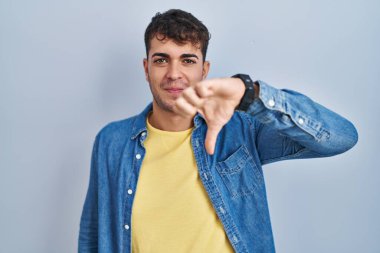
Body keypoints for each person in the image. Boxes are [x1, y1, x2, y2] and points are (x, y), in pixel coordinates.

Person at [78, 9, 358, 253]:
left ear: (204, 70)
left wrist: (250, 93)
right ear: (146, 67)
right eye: (162, 60)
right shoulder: (111, 141)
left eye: (187, 60)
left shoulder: (240, 130)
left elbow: (341, 137)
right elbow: (93, 235)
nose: (174, 73)